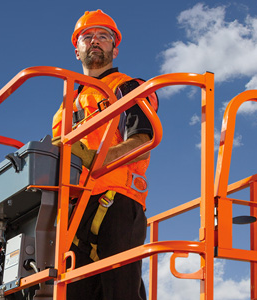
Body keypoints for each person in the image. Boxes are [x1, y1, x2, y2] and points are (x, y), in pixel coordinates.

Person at [52, 9, 157, 300]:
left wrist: (95, 158)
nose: (95, 41)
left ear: (114, 47)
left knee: (120, 292)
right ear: (77, 50)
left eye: (104, 36)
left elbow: (143, 140)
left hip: (118, 201)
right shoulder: (66, 106)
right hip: (73, 209)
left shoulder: (126, 87)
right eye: (88, 37)